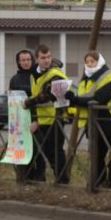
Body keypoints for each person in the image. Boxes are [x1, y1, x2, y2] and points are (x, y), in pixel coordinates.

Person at [73, 47, 111, 190]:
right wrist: (74, 99)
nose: (90, 64)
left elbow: (99, 99)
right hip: (94, 121)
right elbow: (84, 98)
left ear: (100, 61)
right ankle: (99, 182)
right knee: (98, 154)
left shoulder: (109, 77)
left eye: (93, 61)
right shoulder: (86, 79)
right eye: (88, 62)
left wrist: (75, 100)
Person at [26, 44, 70, 185]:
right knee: (48, 151)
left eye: (49, 57)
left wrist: (30, 102)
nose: (47, 60)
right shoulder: (35, 75)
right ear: (37, 59)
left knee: (56, 151)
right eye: (43, 57)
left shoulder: (56, 74)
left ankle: (62, 181)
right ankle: (59, 179)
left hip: (56, 118)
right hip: (43, 120)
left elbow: (49, 94)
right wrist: (36, 119)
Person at [7, 48, 38, 183]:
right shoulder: (15, 78)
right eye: (23, 60)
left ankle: (37, 179)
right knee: (21, 150)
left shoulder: (37, 76)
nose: (26, 62)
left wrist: (37, 119)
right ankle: (23, 179)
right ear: (18, 62)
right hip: (19, 120)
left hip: (35, 118)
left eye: (28, 59)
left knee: (37, 151)